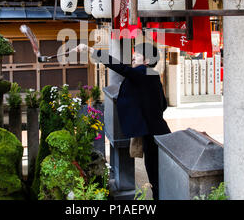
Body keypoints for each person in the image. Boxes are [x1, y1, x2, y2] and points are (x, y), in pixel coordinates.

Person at [73, 42, 171, 200]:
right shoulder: (151, 75)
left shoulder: (141, 73)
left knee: (155, 175)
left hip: (152, 133)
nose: (133, 56)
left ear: (146, 61)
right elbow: (163, 105)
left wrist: (90, 49)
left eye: (137, 55)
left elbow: (120, 68)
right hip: (158, 130)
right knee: (158, 173)